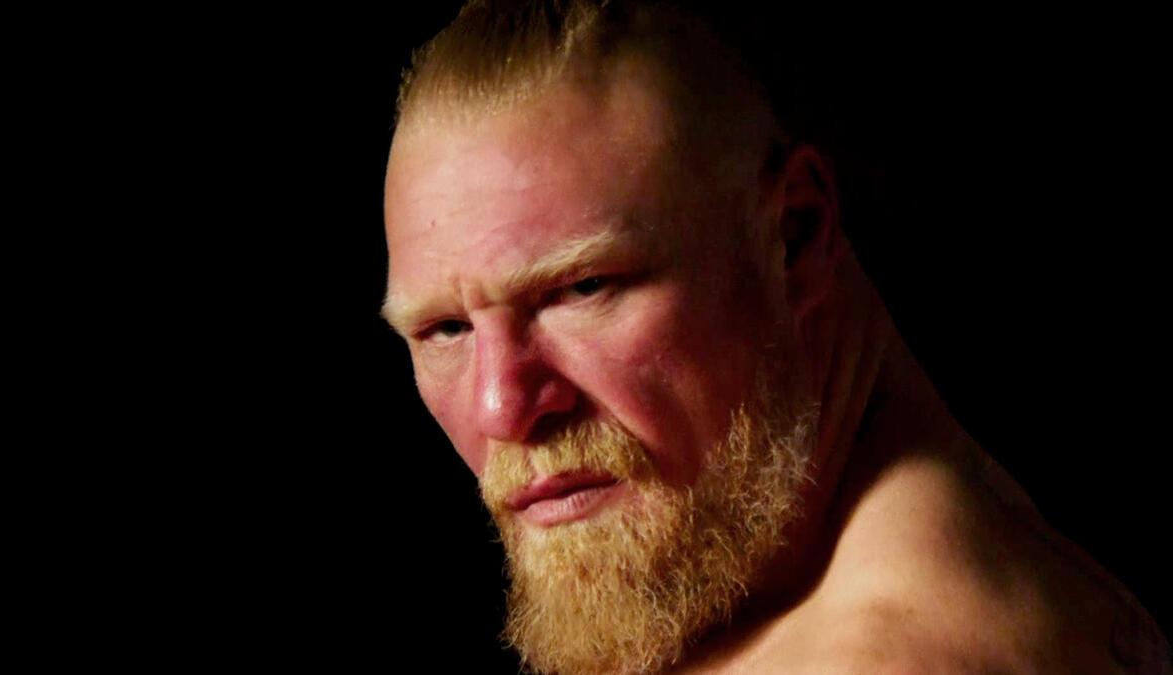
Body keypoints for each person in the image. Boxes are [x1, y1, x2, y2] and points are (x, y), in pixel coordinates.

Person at [379, 1, 1171, 672]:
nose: (502, 405)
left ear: (794, 237)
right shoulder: (754, 575)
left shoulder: (898, 654)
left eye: (582, 288)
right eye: (443, 328)